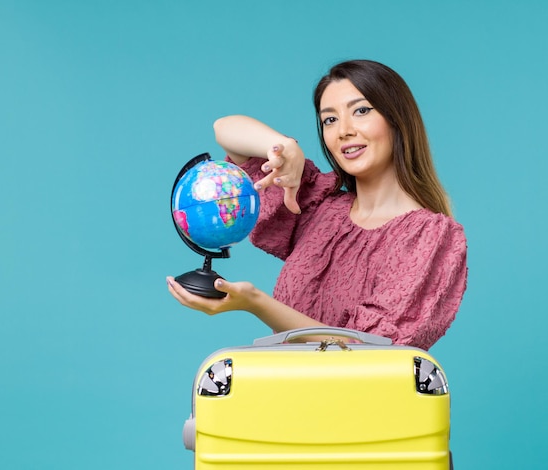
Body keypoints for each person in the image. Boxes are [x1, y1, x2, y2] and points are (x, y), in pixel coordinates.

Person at [167, 59, 467, 349]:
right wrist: (284, 146)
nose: (344, 130)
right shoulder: (319, 205)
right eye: (330, 119)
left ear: (397, 119)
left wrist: (256, 303)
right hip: (283, 396)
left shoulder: (428, 237)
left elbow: (370, 352)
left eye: (361, 111)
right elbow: (225, 128)